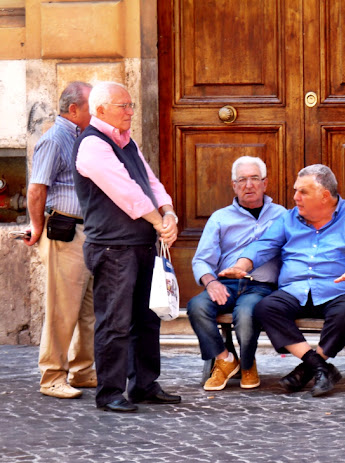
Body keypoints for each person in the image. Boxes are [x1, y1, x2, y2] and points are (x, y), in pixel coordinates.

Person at [220, 164, 345, 397]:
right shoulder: (288, 219)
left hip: (339, 289)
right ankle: (319, 367)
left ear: (324, 196)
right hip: (295, 290)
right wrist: (240, 266)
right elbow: (263, 246)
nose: (295, 197)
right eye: (296, 190)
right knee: (266, 308)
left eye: (303, 192)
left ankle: (305, 371)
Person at [72, 81, 181, 413]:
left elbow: (149, 182)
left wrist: (169, 212)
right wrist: (159, 222)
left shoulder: (126, 141)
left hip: (141, 243)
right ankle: (109, 392)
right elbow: (127, 193)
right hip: (112, 247)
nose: (131, 112)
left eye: (131, 105)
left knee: (147, 319)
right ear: (101, 109)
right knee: (114, 321)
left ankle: (144, 384)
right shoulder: (92, 145)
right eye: (124, 106)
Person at [187, 156, 286, 391]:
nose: (248, 185)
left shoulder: (282, 215)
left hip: (260, 286)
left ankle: (248, 364)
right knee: (197, 306)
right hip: (226, 285)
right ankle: (226, 359)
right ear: (234, 185)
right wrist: (211, 283)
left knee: (246, 312)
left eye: (254, 179)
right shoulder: (220, 218)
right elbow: (201, 259)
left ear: (265, 183)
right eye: (242, 180)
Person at [23, 82, 96, 399]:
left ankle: (83, 371)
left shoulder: (81, 137)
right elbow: (37, 189)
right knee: (61, 309)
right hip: (64, 231)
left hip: (87, 232)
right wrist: (37, 227)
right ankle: (52, 376)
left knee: (88, 310)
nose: (99, 112)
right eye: (94, 105)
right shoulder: (55, 139)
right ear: (75, 109)